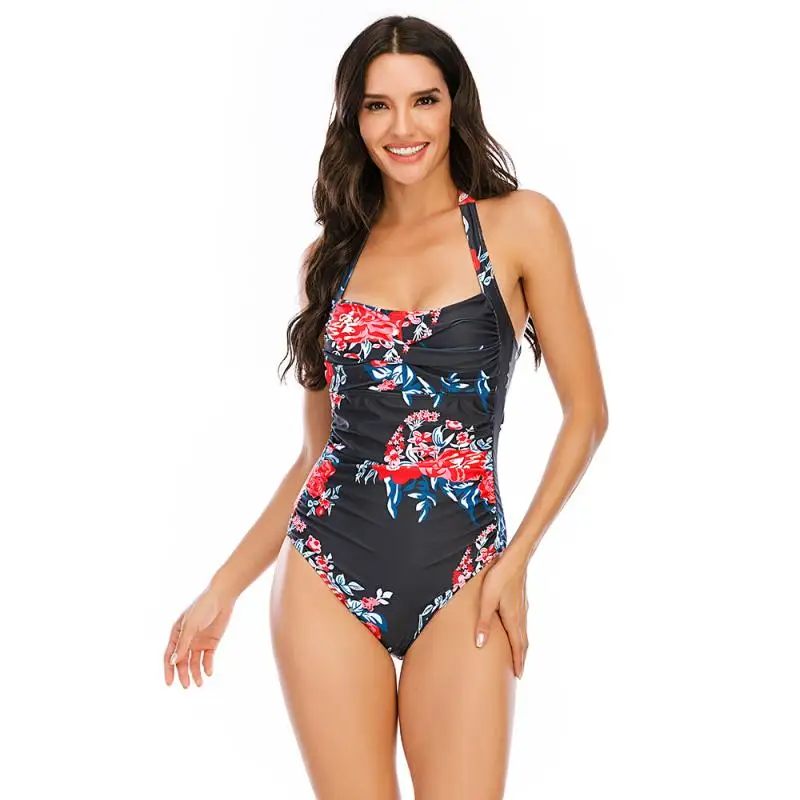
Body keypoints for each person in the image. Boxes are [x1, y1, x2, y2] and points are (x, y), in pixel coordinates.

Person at [163, 14, 608, 800]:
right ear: (355, 119)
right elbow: (317, 455)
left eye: (423, 100)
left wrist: (516, 562)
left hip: (467, 571)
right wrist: (222, 587)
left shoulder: (518, 226)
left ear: (454, 104)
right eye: (378, 106)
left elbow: (587, 413)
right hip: (326, 571)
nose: (403, 128)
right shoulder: (329, 259)